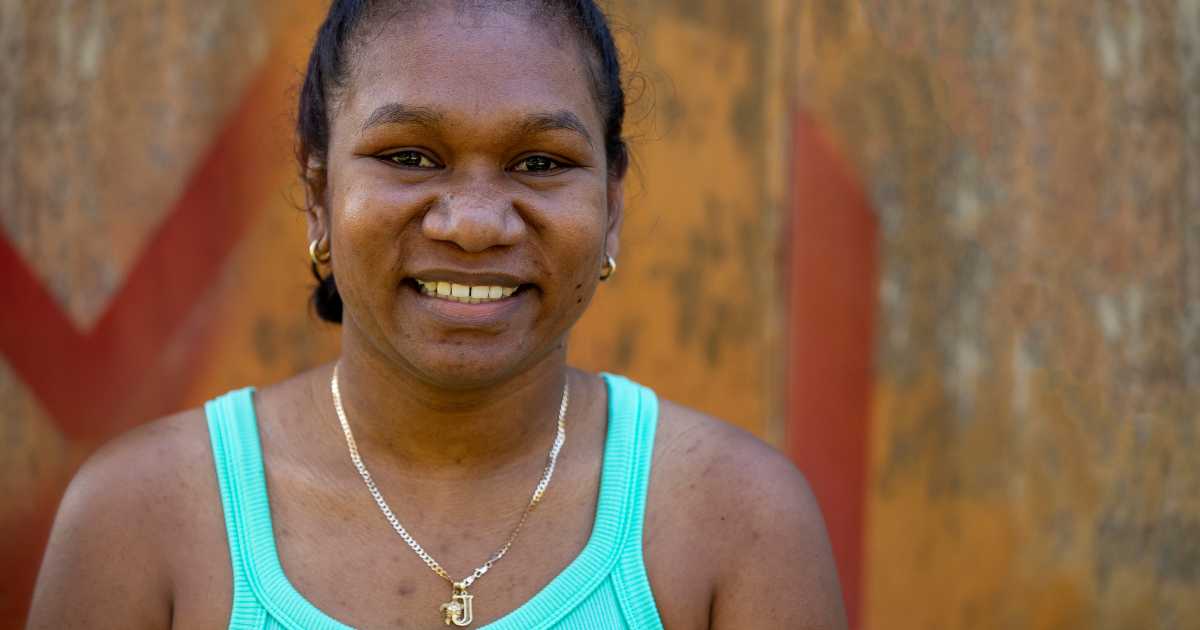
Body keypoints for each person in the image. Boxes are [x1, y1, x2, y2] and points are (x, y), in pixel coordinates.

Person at [27, 1, 846, 628]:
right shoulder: (142, 519)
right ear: (318, 193)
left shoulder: (737, 522)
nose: (475, 223)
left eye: (540, 162)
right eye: (409, 157)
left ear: (612, 202)